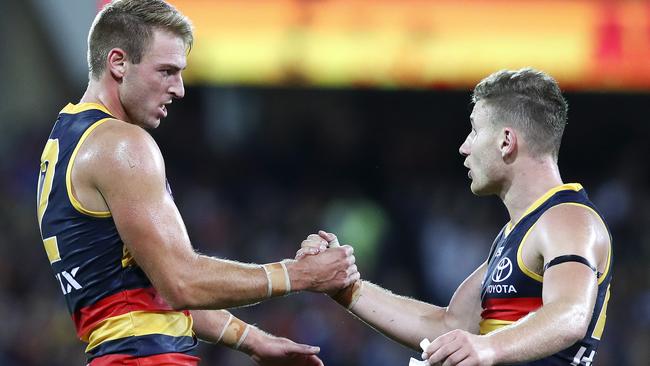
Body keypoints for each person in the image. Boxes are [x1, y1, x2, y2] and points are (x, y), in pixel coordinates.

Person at [35, 1, 359, 365]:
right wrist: (297, 275)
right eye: (167, 71)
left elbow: (151, 288)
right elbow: (180, 282)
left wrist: (253, 339)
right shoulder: (121, 144)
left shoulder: (65, 140)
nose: (180, 89)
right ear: (118, 63)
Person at [300, 68, 613, 365]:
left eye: (475, 131)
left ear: (506, 141)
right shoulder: (517, 234)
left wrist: (488, 346)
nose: (464, 147)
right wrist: (343, 285)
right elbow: (447, 324)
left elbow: (571, 313)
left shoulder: (568, 218)